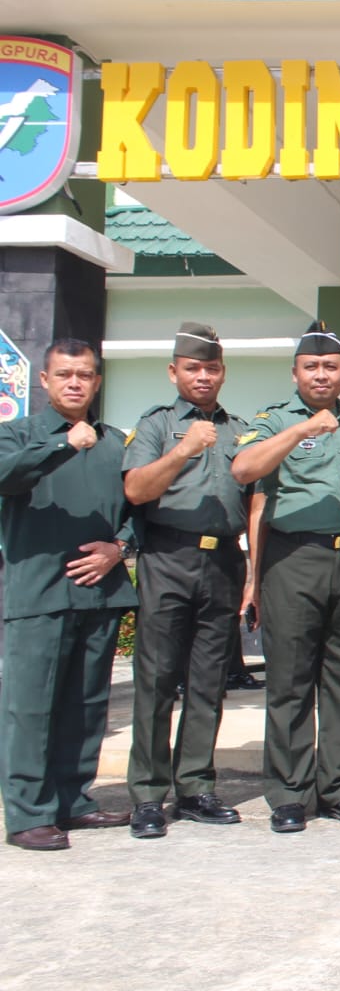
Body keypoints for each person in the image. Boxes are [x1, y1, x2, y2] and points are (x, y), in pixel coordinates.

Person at [231, 322, 340, 834]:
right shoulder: (273, 420)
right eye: (311, 366)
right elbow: (245, 473)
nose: (321, 375)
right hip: (292, 558)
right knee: (290, 680)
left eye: (330, 367)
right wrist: (300, 431)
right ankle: (289, 793)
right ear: (295, 372)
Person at [0, 339, 138, 851]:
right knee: (30, 708)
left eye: (84, 374)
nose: (75, 383)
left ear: (97, 381)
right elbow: (6, 477)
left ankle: (73, 801)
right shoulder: (18, 435)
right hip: (39, 593)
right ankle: (28, 814)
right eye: (64, 374)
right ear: (45, 380)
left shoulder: (116, 442)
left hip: (100, 594)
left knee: (86, 705)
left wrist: (119, 549)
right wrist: (63, 446)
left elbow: (140, 509)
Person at [121, 323, 253, 839]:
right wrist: (183, 450)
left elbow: (255, 500)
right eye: (193, 368)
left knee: (208, 682)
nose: (203, 377)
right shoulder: (156, 424)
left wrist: (252, 573)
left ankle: (195, 786)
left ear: (223, 373)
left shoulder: (240, 428)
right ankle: (148, 795)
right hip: (168, 556)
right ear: (173, 371)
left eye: (211, 368)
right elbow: (136, 490)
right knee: (156, 679)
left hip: (223, 560)